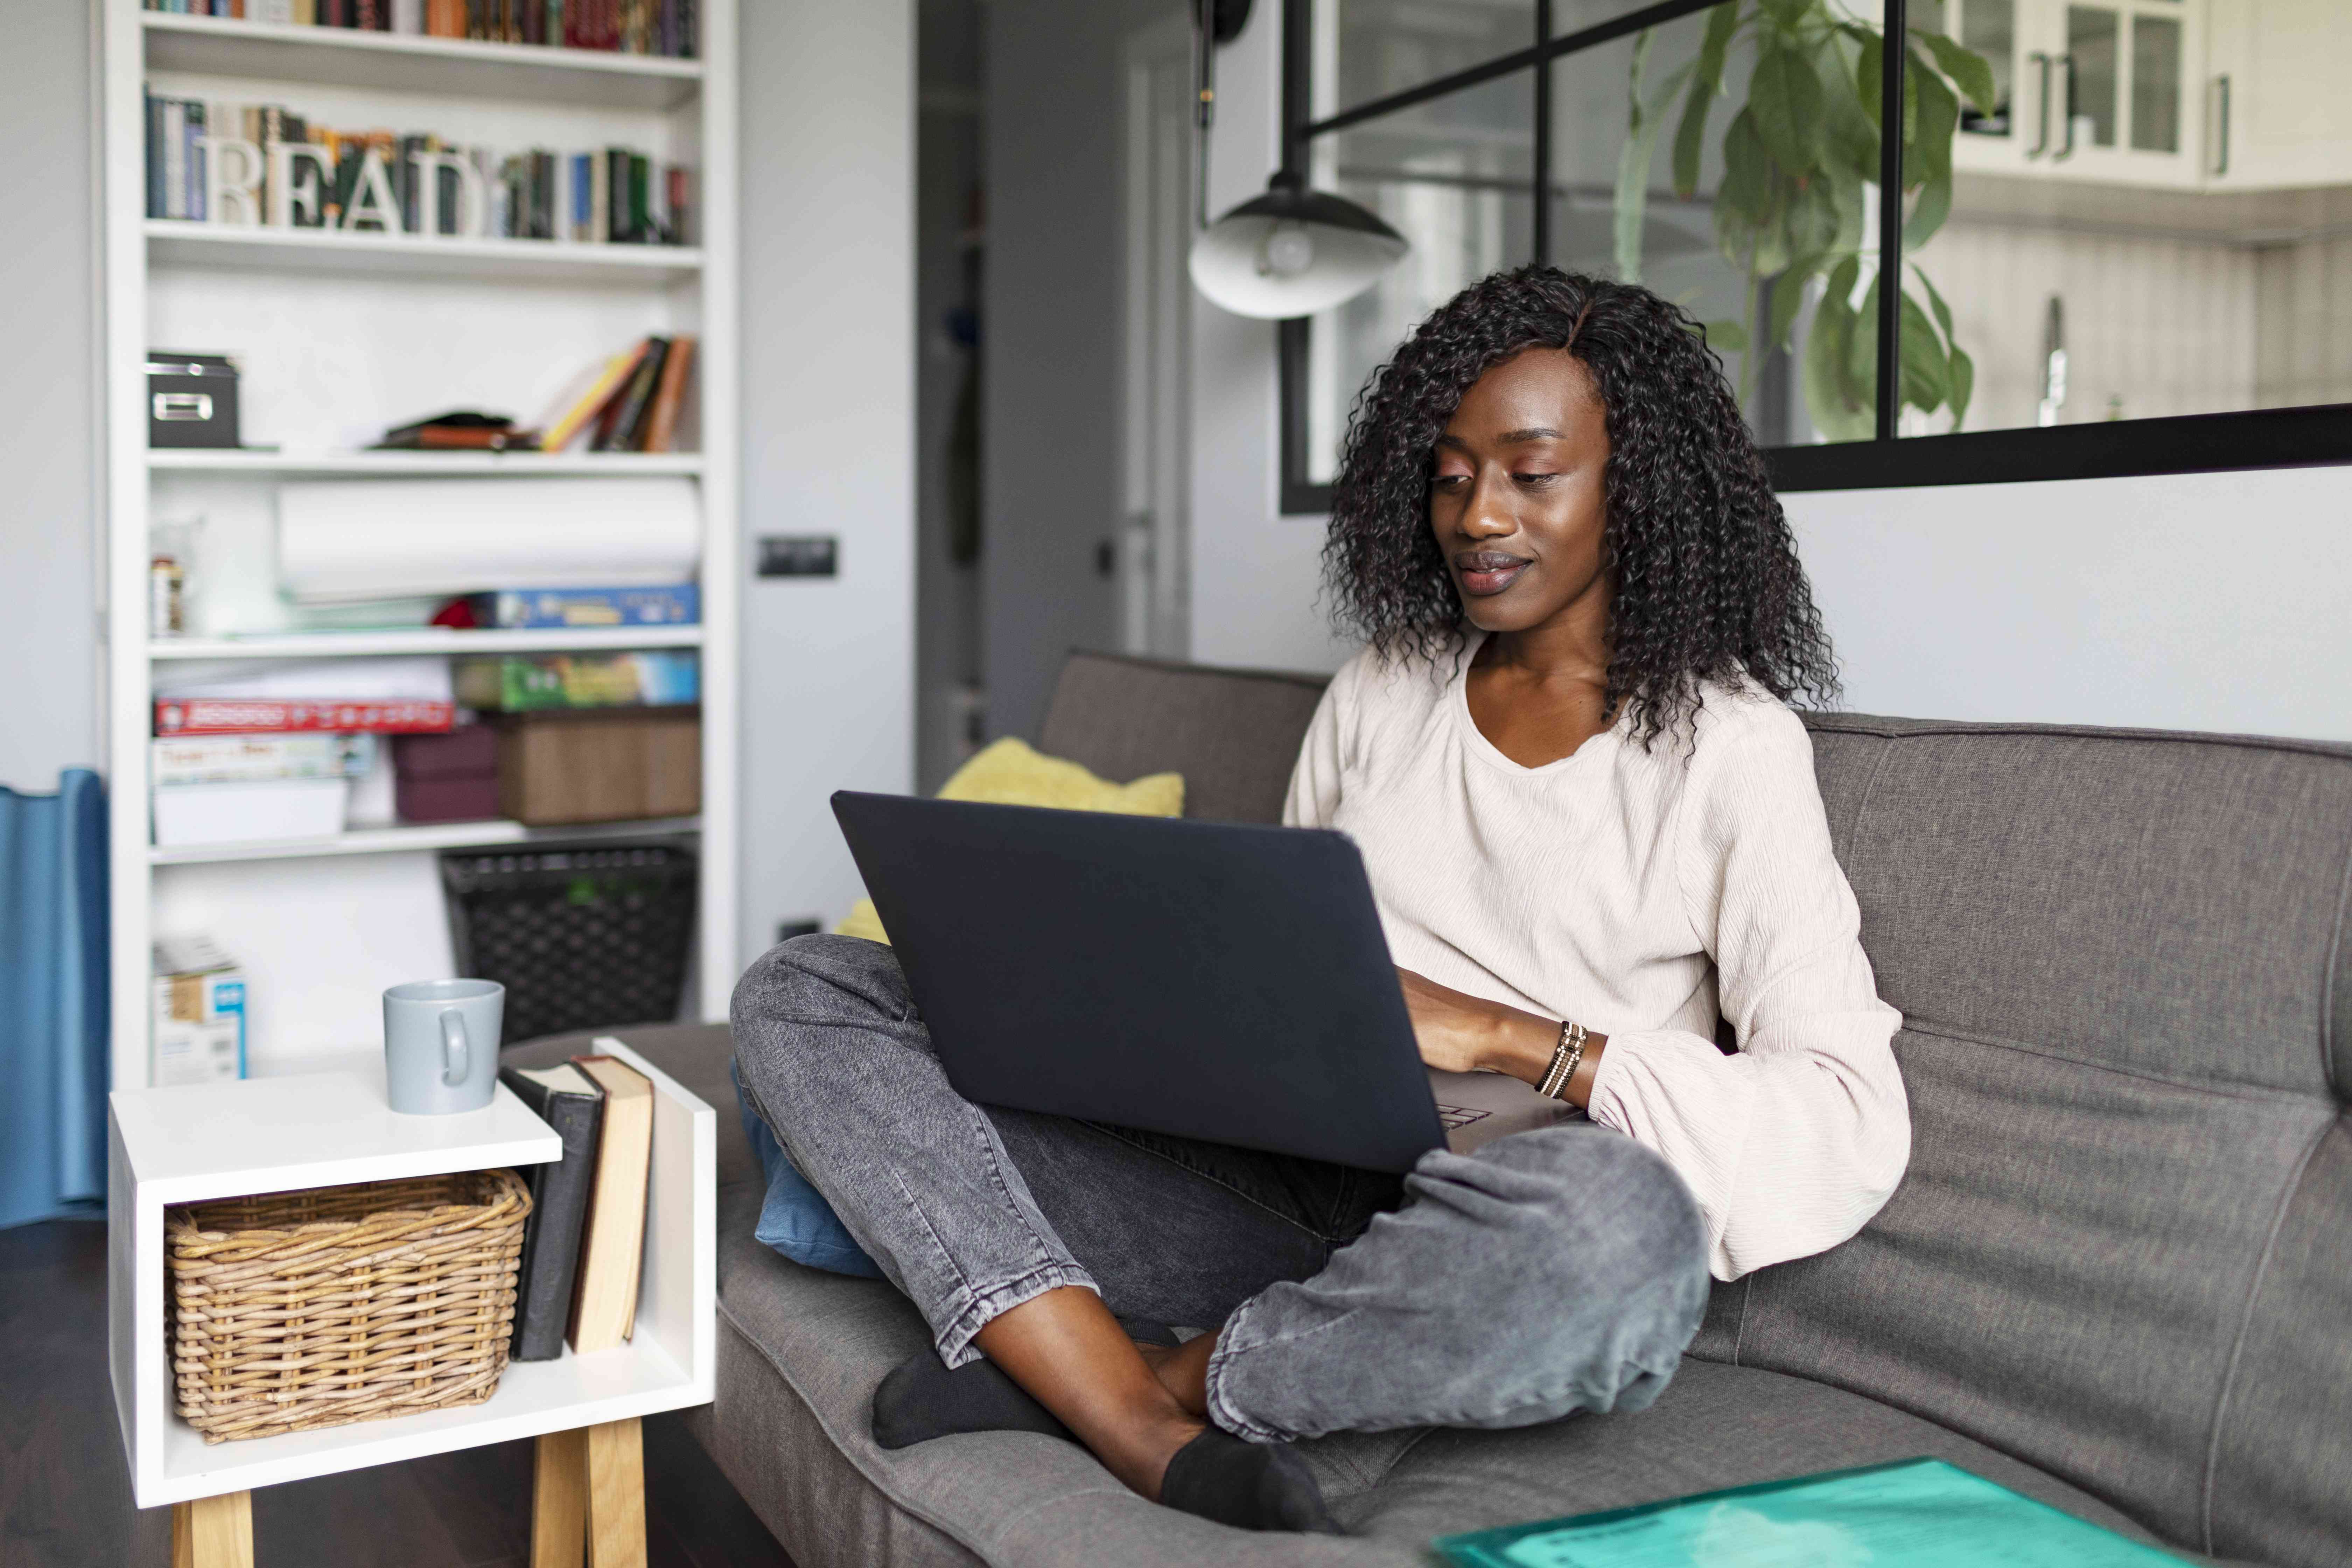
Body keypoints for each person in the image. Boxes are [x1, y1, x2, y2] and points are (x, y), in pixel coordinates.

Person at [732, 266, 1909, 1535]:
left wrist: (1509, 1036)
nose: (1478, 515)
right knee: (806, 992)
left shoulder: (1732, 749)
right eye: (1453, 473)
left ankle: (1125, 1381)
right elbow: (1270, 947)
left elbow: (1846, 1116)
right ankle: (1129, 1412)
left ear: (1638, 489)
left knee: (1623, 1239)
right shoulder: (1385, 686)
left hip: (1481, 1218)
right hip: (1258, 1183)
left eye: (1530, 471)